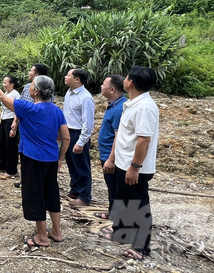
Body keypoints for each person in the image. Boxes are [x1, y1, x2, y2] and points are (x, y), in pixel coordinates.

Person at [0, 67, 70, 247]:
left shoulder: (27, 107)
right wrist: (60, 158)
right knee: (51, 192)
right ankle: (56, 232)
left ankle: (42, 237)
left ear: (35, 91)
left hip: (33, 158)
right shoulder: (57, 111)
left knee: (35, 194)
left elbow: (1, 97)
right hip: (52, 159)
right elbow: (66, 137)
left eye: (32, 86)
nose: (29, 87)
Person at [103, 66, 159, 261]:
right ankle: (122, 233)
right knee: (124, 198)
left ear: (131, 82)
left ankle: (141, 247)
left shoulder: (144, 107)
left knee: (138, 204)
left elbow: (144, 140)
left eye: (126, 77)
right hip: (124, 162)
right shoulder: (132, 103)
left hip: (135, 167)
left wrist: (135, 168)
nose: (124, 79)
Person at [12, 63, 52, 188]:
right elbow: (20, 105)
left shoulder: (42, 88)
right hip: (26, 123)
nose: (29, 72)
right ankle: (25, 179)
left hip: (34, 125)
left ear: (37, 75)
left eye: (31, 70)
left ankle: (34, 181)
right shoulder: (30, 87)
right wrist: (15, 121)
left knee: (33, 151)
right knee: (23, 151)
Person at [95, 75, 127, 220]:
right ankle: (112, 212)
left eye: (104, 84)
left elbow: (118, 137)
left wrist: (111, 159)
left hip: (112, 156)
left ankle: (117, 219)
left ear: (112, 89)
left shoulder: (120, 109)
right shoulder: (114, 105)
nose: (101, 86)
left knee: (116, 188)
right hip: (107, 154)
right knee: (111, 187)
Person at [63, 68, 95, 207]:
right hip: (68, 132)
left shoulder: (86, 97)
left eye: (68, 75)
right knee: (71, 163)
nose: (65, 77)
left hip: (78, 133)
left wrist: (81, 141)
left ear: (77, 79)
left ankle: (84, 196)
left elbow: (88, 123)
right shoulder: (68, 93)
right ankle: (75, 189)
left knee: (82, 166)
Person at [0, 76, 21, 178]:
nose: (3, 84)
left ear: (12, 84)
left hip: (11, 120)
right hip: (4, 120)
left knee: (11, 145)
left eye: (5, 83)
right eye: (3, 82)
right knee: (2, 143)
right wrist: (0, 121)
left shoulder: (16, 95)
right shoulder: (5, 94)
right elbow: (3, 109)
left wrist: (15, 123)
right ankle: (1, 165)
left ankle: (11, 170)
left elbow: (18, 110)